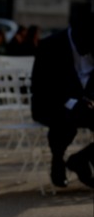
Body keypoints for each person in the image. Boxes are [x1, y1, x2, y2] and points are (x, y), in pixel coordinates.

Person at [31, 10, 93, 188]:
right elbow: (41, 88)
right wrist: (72, 103)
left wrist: (90, 101)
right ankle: (57, 160)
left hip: (86, 104)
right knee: (64, 120)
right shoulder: (50, 46)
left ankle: (81, 159)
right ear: (77, 32)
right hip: (52, 103)